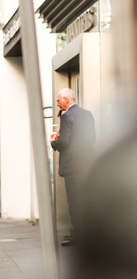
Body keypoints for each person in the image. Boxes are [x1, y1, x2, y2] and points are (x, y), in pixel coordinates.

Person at [50, 88, 96, 247]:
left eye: (58, 101)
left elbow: (64, 142)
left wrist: (54, 140)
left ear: (66, 100)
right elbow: (92, 138)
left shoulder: (67, 116)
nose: (58, 103)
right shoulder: (88, 114)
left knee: (74, 201)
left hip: (73, 167)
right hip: (87, 164)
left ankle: (78, 235)